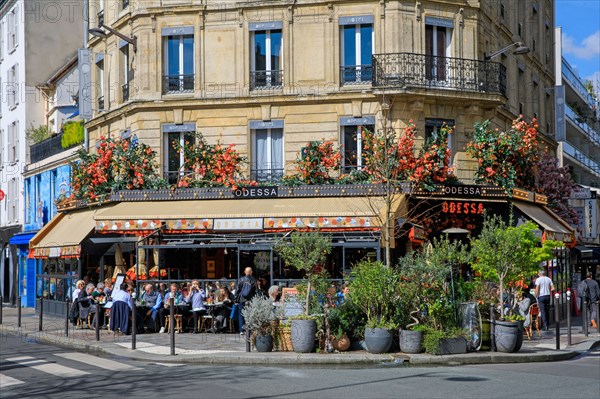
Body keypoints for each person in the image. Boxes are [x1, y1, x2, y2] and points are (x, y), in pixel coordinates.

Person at [235, 267, 258, 335]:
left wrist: (236, 299)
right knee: (250, 314)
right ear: (251, 272)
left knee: (241, 314)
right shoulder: (253, 280)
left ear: (245, 272)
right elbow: (256, 291)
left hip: (242, 299)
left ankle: (241, 330)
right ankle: (250, 329)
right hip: (250, 299)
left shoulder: (240, 279)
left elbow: (237, 290)